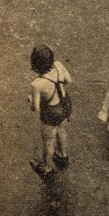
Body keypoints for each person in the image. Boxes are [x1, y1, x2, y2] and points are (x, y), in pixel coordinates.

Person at [28, 45, 73, 182]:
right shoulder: (58, 65)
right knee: (62, 131)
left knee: (48, 141)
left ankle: (46, 167)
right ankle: (63, 155)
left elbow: (35, 108)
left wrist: (30, 99)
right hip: (65, 105)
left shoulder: (37, 84)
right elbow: (69, 80)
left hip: (51, 112)